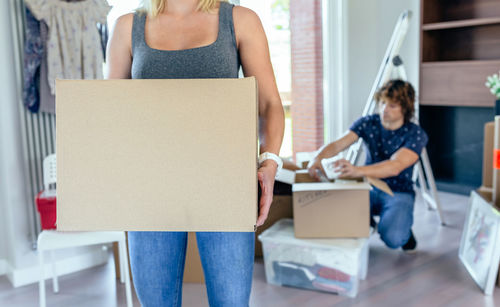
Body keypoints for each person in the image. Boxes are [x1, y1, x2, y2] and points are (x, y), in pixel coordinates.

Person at [106, 0, 284, 306]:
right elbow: (112, 111)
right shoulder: (127, 27)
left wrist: (269, 161)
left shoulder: (239, 20)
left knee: (231, 302)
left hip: (224, 181)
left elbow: (269, 105)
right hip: (151, 186)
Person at [308, 80, 428, 253]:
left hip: (398, 192)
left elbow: (395, 166)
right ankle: (367, 219)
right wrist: (318, 157)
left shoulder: (415, 133)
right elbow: (338, 145)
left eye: (392, 105)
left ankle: (403, 232)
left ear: (405, 109)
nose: (384, 109)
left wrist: (356, 170)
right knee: (338, 215)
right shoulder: (368, 123)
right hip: (368, 187)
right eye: (382, 102)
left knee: (393, 238)